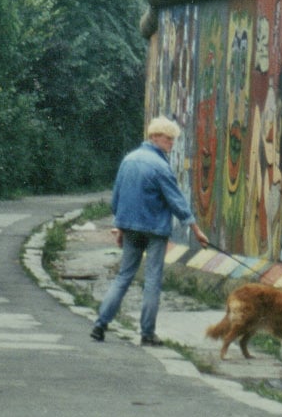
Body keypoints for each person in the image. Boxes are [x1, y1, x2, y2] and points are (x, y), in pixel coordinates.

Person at [91, 116, 212, 345]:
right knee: (152, 280)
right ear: (155, 137)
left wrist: (120, 228)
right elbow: (177, 201)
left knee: (123, 276)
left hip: (130, 228)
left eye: (172, 140)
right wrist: (196, 230)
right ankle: (147, 333)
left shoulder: (128, 160)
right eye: (168, 139)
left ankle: (100, 324)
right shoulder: (160, 166)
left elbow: (116, 198)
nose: (171, 144)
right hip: (155, 230)